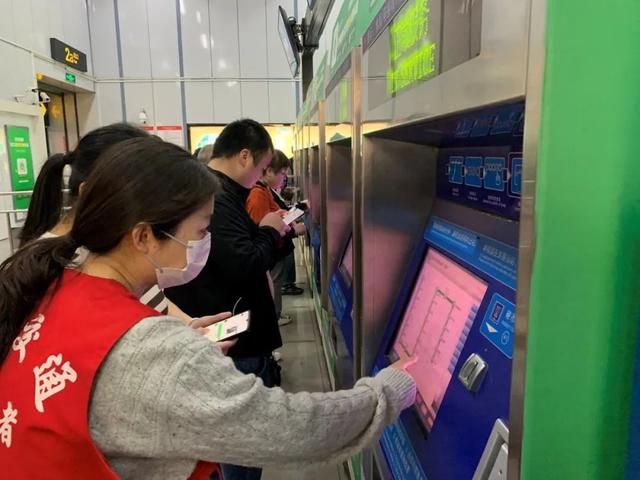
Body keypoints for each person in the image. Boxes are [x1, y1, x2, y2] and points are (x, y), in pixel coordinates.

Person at [0, 136, 417, 479]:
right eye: (201, 230)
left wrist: (178, 349)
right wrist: (385, 393)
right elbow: (285, 428)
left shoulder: (56, 285)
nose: (204, 244)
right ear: (143, 236)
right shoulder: (150, 349)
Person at [163, 119, 293, 480]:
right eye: (262, 169)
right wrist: (269, 231)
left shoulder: (223, 195)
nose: (262, 177)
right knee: (240, 450)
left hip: (230, 334)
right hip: (232, 342)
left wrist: (272, 234)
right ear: (244, 156)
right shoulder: (217, 197)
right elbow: (244, 263)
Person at [19, 124, 192, 323]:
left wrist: (190, 326)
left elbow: (154, 302)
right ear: (90, 194)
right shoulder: (69, 265)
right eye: (138, 196)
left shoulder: (109, 244)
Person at [245, 150, 304, 327]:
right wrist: (291, 231)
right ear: (269, 171)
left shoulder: (265, 190)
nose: (284, 178)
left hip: (274, 248)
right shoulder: (257, 194)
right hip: (271, 249)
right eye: (283, 173)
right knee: (274, 283)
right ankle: (274, 317)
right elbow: (261, 227)